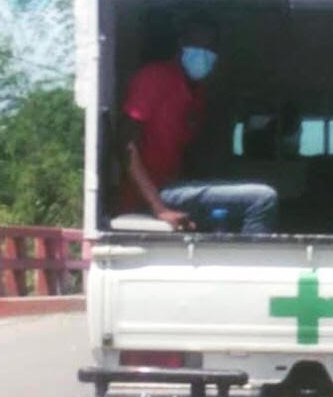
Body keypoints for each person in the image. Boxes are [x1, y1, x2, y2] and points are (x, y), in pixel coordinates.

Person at [119, 12, 278, 233]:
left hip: (174, 189)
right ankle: (254, 264)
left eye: (210, 47)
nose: (204, 52)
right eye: (197, 43)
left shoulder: (197, 93)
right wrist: (159, 208)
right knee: (262, 198)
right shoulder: (154, 77)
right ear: (181, 44)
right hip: (152, 195)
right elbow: (124, 144)